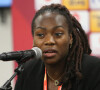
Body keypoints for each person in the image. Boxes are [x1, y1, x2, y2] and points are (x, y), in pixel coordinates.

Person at [14, 4, 100, 90]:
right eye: (40, 35)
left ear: (70, 38)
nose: (49, 41)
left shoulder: (94, 70)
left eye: (58, 34)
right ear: (33, 40)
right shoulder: (27, 71)